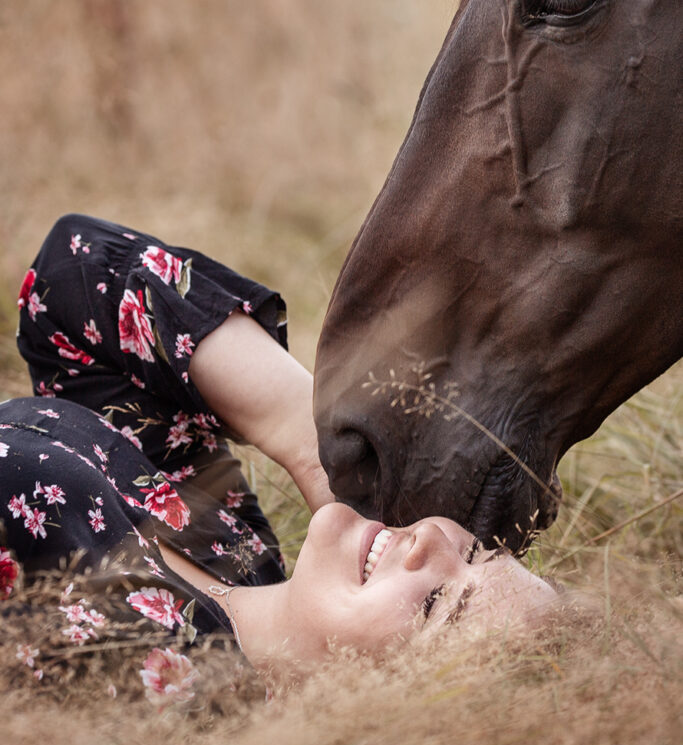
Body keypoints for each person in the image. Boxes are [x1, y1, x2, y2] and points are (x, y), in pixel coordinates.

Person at [1, 216, 560, 686]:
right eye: (475, 554)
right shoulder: (234, 549)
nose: (432, 541)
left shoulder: (162, 698)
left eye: (438, 605)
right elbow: (73, 277)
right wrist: (317, 450)